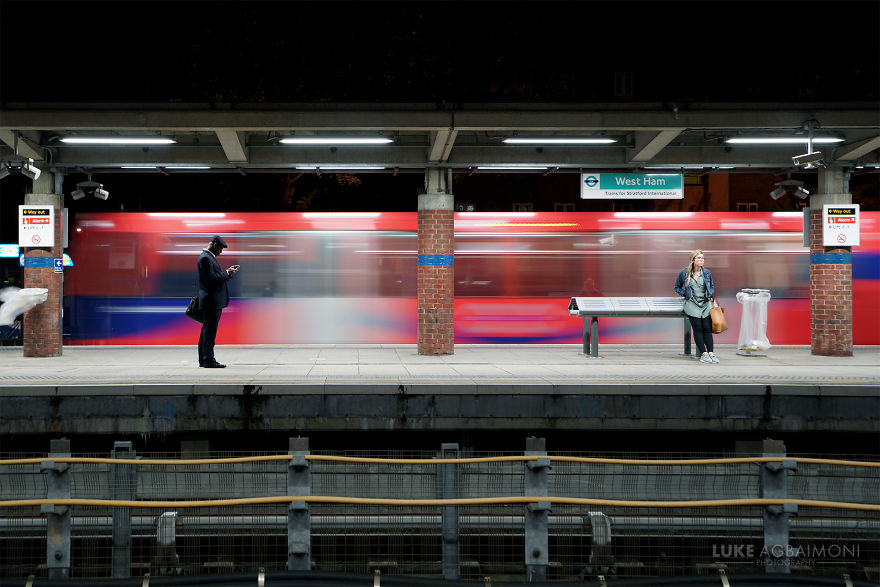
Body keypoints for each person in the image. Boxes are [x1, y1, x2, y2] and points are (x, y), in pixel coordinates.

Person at [197, 235, 239, 368]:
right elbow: (211, 279)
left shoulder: (207, 257)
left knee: (206, 332)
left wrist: (227, 272)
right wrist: (227, 273)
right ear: (215, 245)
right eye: (221, 248)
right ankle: (209, 360)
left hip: (211, 301)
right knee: (209, 333)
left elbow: (213, 276)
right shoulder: (205, 258)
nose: (221, 252)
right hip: (211, 302)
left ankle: (204, 359)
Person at [674, 250, 719, 364]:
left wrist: (710, 294)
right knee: (698, 329)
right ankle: (703, 354)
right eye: (699, 258)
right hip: (692, 304)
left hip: (705, 304)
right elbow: (677, 287)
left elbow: (711, 286)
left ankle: (711, 353)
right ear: (693, 260)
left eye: (703, 258)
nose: (701, 260)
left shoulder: (707, 273)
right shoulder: (684, 273)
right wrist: (685, 294)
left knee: (707, 330)